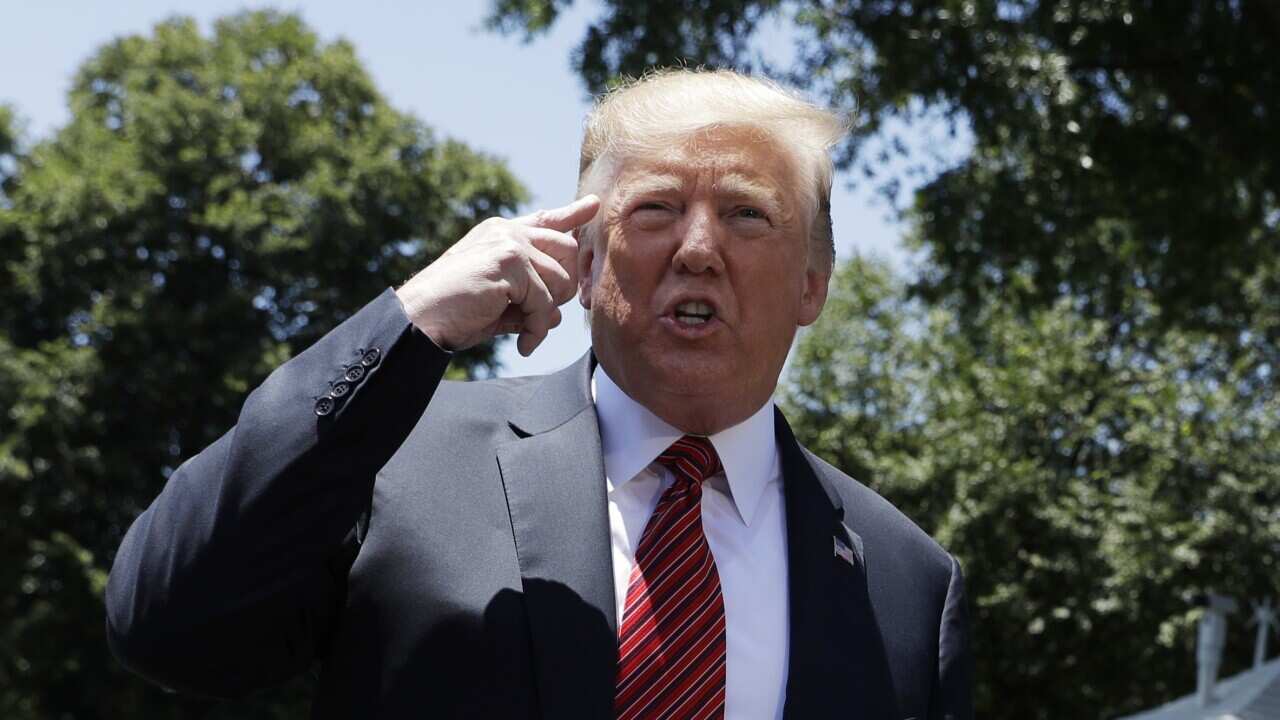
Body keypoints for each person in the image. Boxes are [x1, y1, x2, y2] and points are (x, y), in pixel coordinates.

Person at [106, 68, 973, 719]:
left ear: (813, 284)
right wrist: (410, 323)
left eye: (747, 214)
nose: (699, 250)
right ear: (585, 262)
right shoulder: (398, 457)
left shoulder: (909, 583)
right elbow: (167, 625)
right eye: (656, 209)